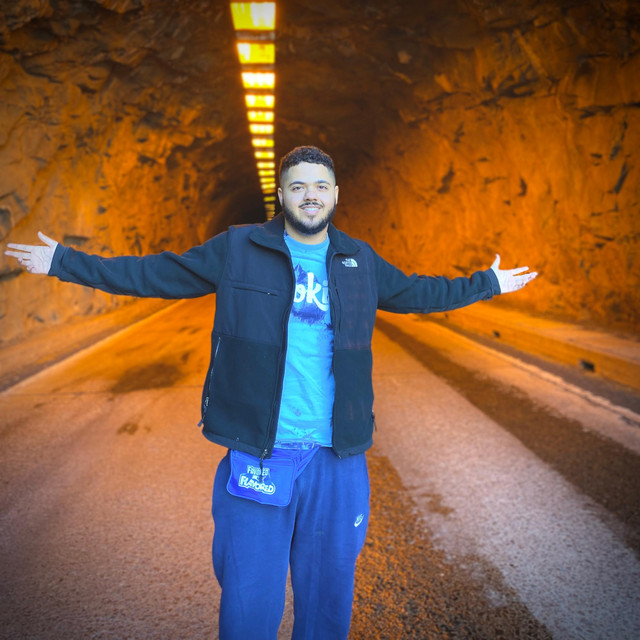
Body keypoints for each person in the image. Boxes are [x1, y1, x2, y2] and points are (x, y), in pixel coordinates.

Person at [5, 145, 537, 639]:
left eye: (321, 186)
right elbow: (156, 273)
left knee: (328, 603)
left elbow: (421, 291)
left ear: (335, 194)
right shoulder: (240, 247)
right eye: (298, 186)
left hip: (337, 456)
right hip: (261, 452)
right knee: (248, 603)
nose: (311, 195)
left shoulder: (359, 260)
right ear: (281, 195)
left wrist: (486, 284)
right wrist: (65, 263)